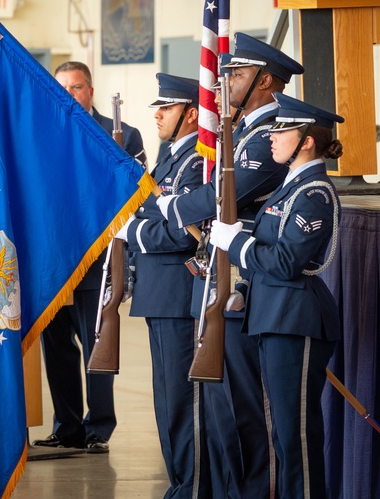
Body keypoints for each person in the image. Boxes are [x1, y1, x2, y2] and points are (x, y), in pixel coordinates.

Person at [159, 34, 304, 498]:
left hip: (243, 284)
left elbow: (228, 194)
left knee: (245, 412)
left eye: (236, 76)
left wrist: (173, 206)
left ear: (265, 82)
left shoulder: (267, 138)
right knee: (219, 405)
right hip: (216, 277)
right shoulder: (240, 134)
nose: (222, 86)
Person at [208, 93, 343, 499]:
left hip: (296, 317)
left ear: (305, 141)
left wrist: (237, 244)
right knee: (283, 435)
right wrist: (244, 282)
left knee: (296, 434)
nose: (273, 136)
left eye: (283, 129)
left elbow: (286, 262)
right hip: (274, 314)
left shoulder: (314, 193)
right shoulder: (291, 187)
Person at [36, 60, 146, 453]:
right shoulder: (40, 135)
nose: (70, 94)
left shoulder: (123, 135)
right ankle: (66, 427)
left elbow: (135, 198)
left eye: (77, 87)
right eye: (62, 87)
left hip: (98, 263)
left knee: (98, 344)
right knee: (58, 349)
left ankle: (98, 427)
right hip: (52, 262)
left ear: (91, 91)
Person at [115, 74, 209, 498]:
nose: (157, 114)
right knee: (166, 397)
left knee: (182, 399)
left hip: (177, 293)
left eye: (167, 108)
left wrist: (134, 232)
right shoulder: (168, 159)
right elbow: (158, 218)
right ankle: (180, 482)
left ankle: (192, 484)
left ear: (191, 114)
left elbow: (185, 233)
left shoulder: (195, 163)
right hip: (159, 292)